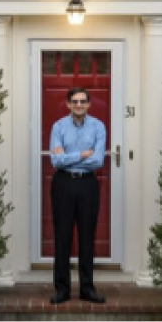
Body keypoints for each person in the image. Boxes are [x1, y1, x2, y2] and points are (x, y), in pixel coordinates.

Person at [49, 87, 107, 304]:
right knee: (62, 237)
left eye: (83, 101)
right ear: (68, 104)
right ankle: (62, 289)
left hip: (88, 185)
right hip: (63, 183)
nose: (79, 105)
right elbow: (56, 161)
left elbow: (98, 160)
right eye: (75, 101)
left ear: (89, 104)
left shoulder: (98, 127)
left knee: (87, 238)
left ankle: (87, 288)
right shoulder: (59, 127)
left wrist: (68, 156)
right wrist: (82, 154)